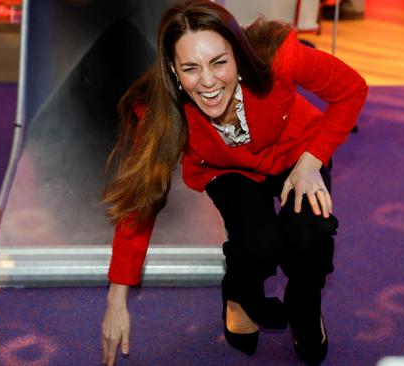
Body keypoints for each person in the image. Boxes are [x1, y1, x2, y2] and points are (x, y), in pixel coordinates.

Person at [101, 1, 367, 364]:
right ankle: (241, 295)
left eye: (219, 62)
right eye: (191, 69)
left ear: (238, 55)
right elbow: (140, 197)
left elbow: (351, 89)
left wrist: (312, 161)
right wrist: (116, 300)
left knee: (310, 235)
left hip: (296, 154)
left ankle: (305, 307)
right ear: (174, 72)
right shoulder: (160, 109)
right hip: (224, 167)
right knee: (258, 244)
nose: (208, 82)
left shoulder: (277, 56)